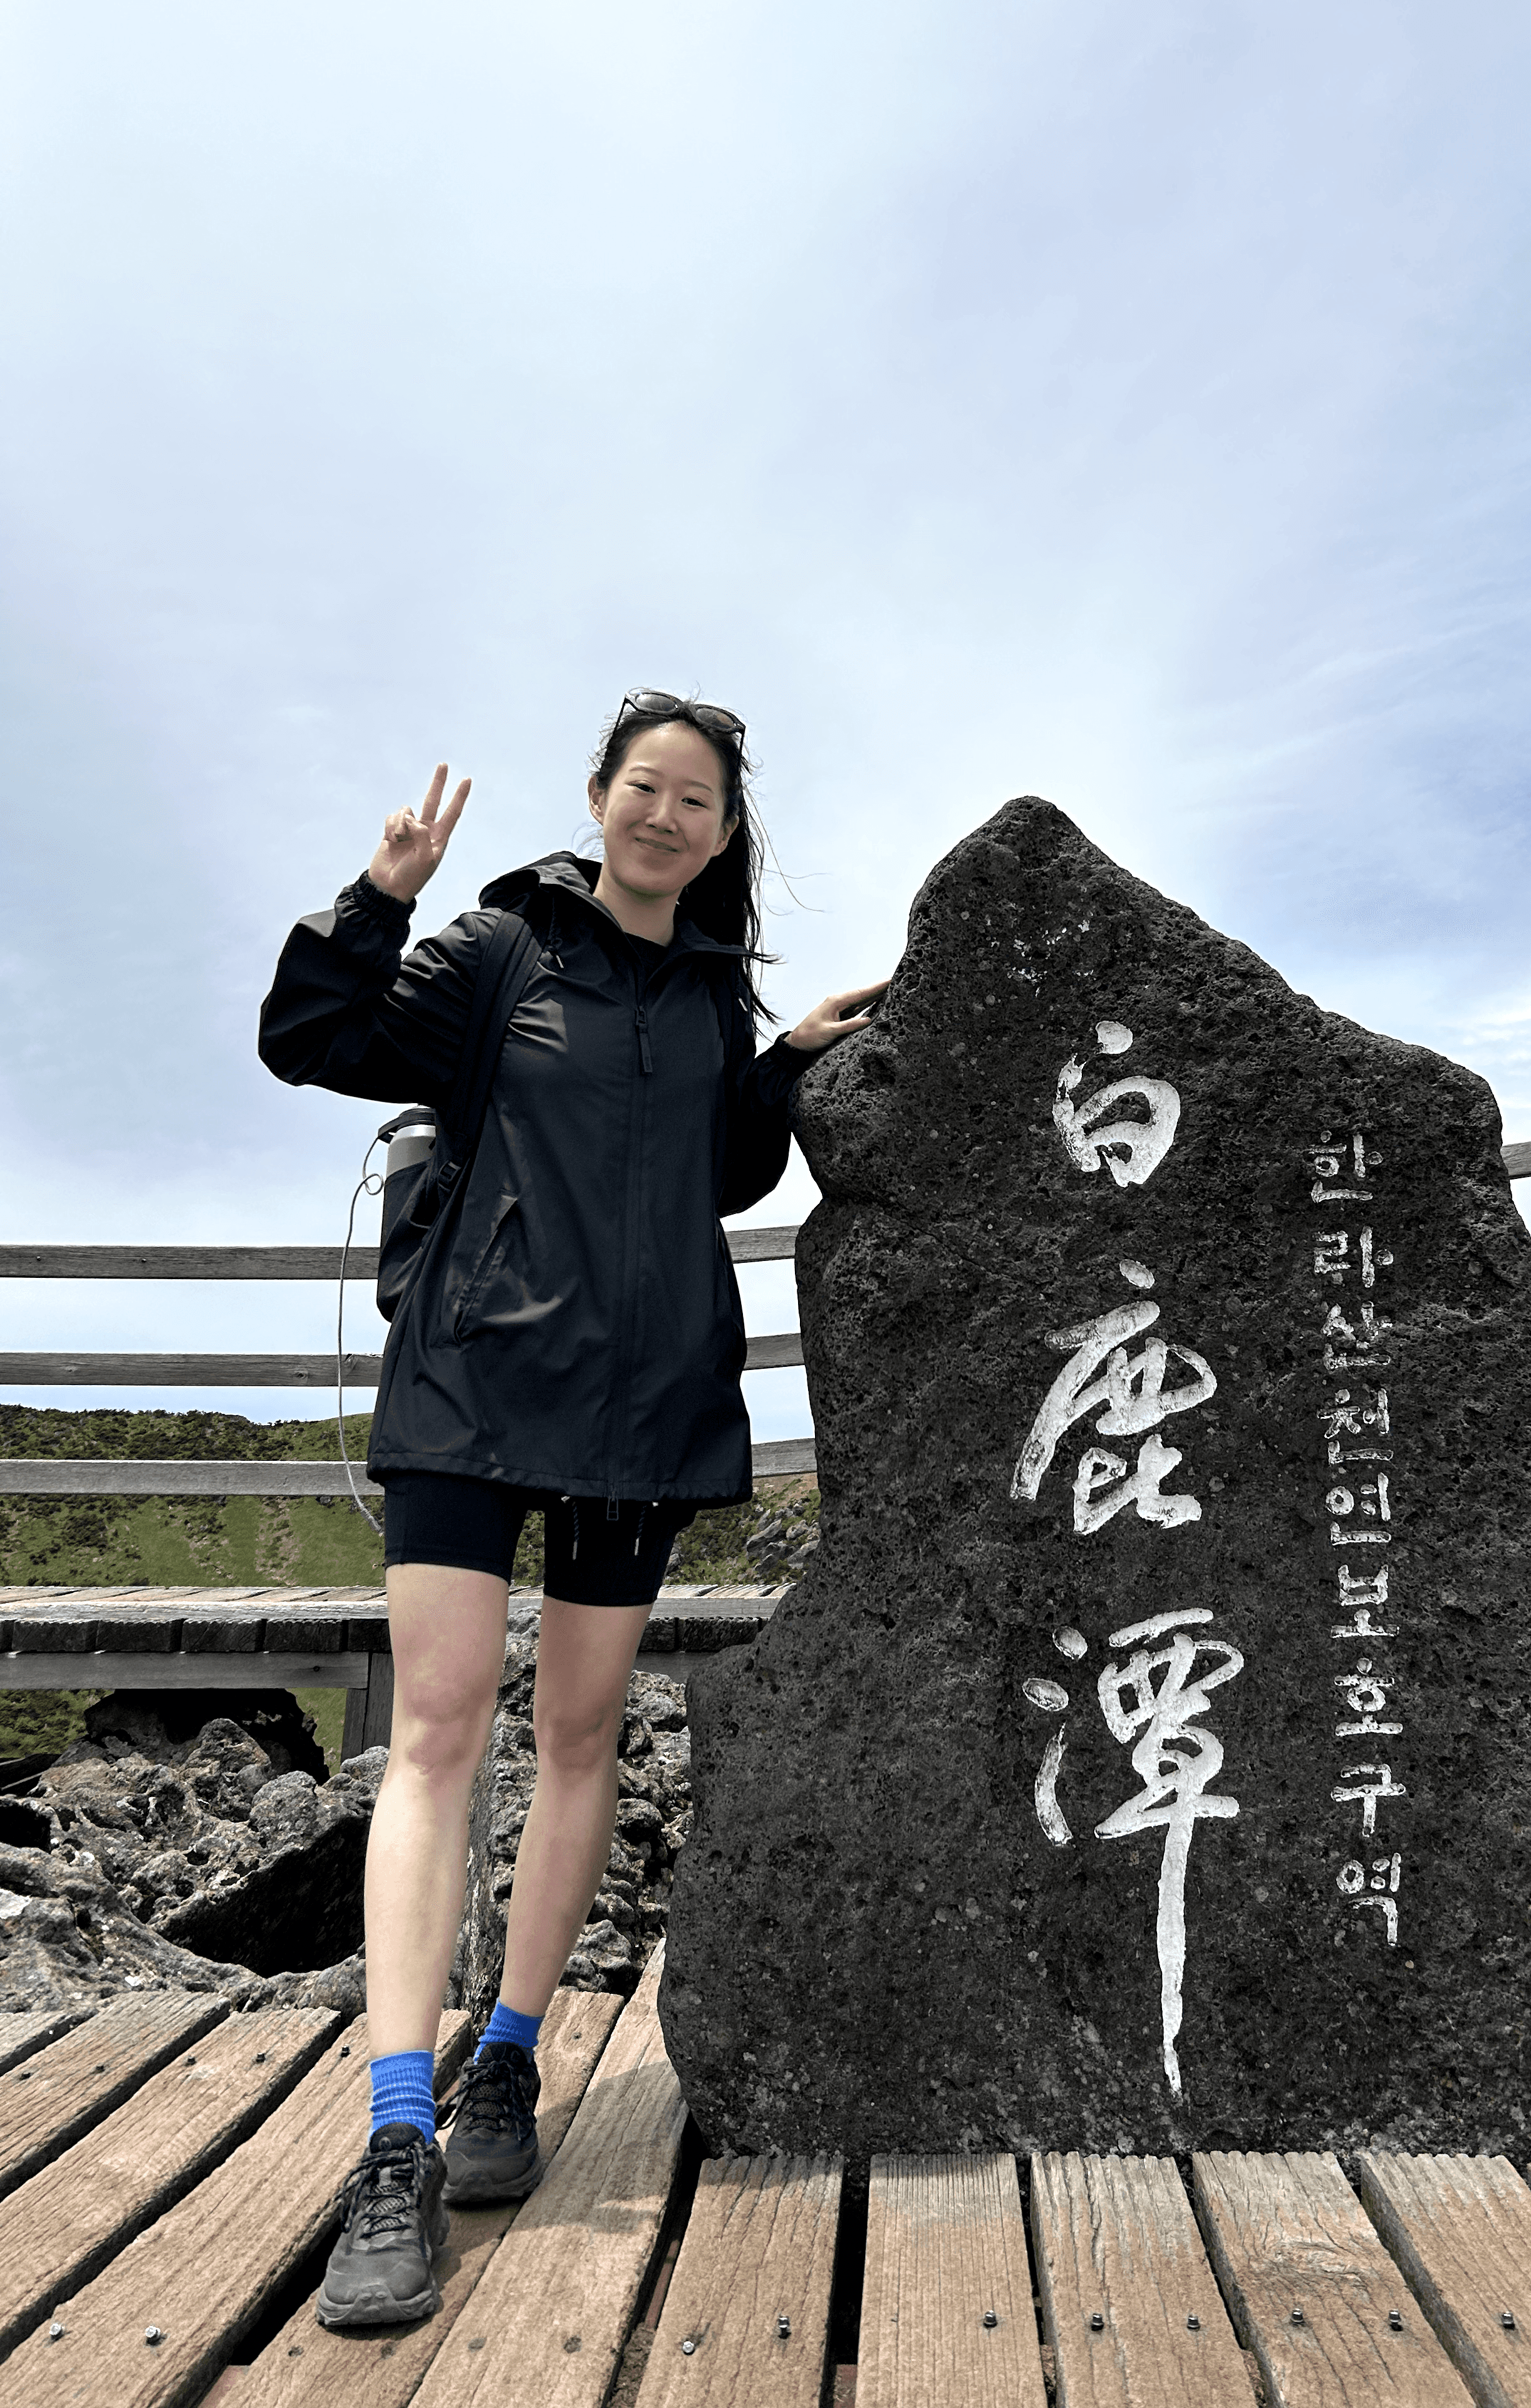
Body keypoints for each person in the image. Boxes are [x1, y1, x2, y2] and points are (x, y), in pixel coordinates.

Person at [258, 691, 883, 2328]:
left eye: (699, 801)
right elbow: (317, 1042)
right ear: (599, 799)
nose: (668, 816)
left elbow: (725, 1175)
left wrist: (790, 1057)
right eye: (646, 788)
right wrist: (378, 898)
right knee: (445, 1728)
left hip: (645, 1403)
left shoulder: (706, 996)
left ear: (729, 835)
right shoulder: (495, 951)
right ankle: (398, 2130)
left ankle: (508, 2067)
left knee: (588, 1730)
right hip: (471, 1390)